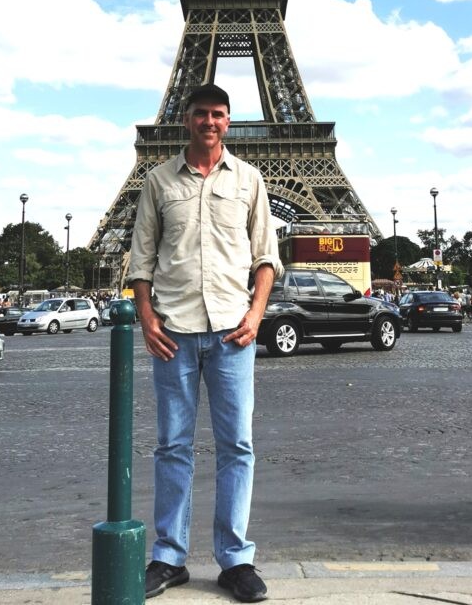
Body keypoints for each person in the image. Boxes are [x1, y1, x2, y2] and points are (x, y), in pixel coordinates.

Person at [128, 83, 282, 603]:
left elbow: (266, 258)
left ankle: (235, 559)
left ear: (228, 121)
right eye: (201, 114)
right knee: (172, 445)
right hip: (174, 332)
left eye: (218, 114)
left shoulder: (250, 180)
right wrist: (147, 317)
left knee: (237, 445)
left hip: (232, 333)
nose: (209, 122)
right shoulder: (157, 180)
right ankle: (169, 556)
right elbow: (141, 260)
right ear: (186, 119)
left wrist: (256, 313)